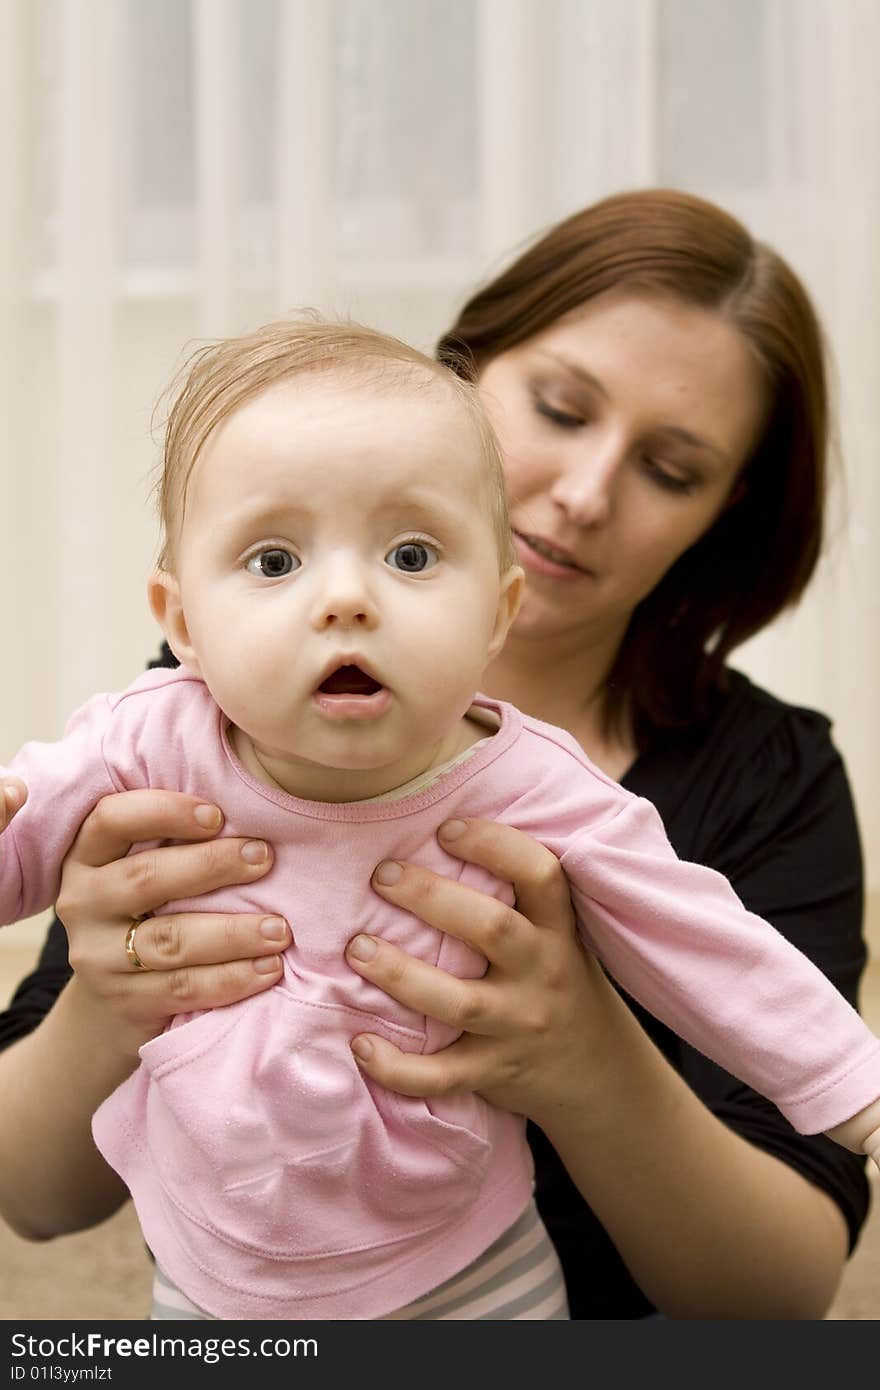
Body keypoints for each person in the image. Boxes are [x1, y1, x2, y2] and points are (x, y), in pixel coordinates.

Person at [0, 189, 874, 1321]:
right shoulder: (193, 720)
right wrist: (107, 1004)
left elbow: (778, 1281)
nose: (583, 493)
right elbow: (33, 1195)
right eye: (559, 408)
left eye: (670, 469)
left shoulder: (722, 784)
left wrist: (587, 1056)